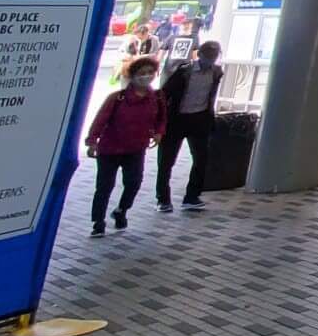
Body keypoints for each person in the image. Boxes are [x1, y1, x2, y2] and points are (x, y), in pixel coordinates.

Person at [85, 57, 166, 237]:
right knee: (104, 187)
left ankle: (121, 210)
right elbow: (100, 120)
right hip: (110, 149)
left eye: (150, 72)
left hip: (136, 149)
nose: (146, 76)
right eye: (142, 73)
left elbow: (161, 119)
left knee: (134, 183)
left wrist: (159, 133)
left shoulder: (156, 98)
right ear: (132, 76)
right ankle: (98, 222)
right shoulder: (117, 98)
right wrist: (92, 141)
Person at [156, 41, 224, 212]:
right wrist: (159, 120)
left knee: (201, 159)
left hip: (200, 119)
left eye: (214, 56)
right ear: (199, 54)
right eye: (208, 56)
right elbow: (165, 93)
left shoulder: (216, 72)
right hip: (176, 120)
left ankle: (192, 197)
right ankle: (163, 199)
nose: (210, 60)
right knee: (166, 161)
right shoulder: (184, 71)